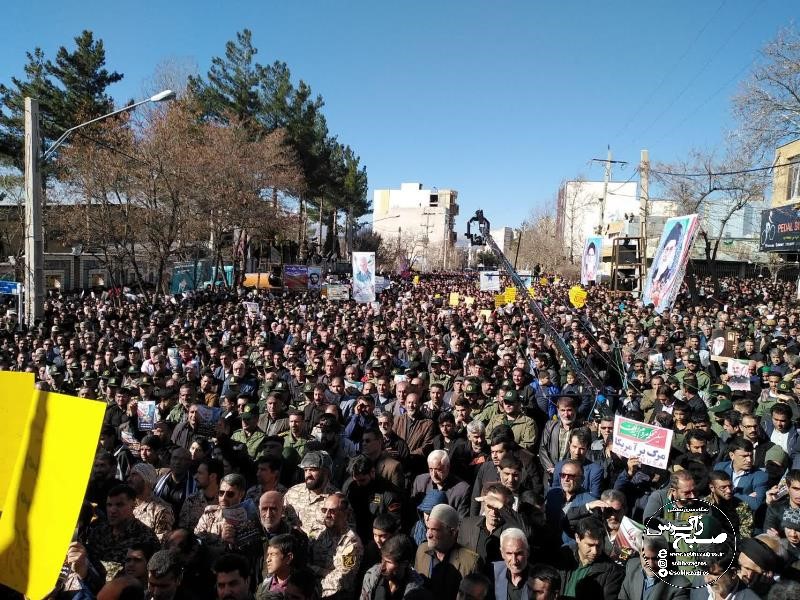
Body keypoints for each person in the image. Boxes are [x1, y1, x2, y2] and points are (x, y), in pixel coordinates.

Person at [414, 503, 483, 600]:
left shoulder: (471, 563)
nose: (428, 535)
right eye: (428, 528)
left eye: (434, 530)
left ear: (452, 532)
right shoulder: (422, 550)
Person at [308, 492, 363, 599]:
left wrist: (312, 590)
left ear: (346, 514)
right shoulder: (318, 531)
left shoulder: (352, 543)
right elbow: (305, 560)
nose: (327, 515)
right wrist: (322, 571)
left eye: (332, 511)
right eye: (324, 510)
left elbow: (342, 579)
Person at [556, 516, 623, 600]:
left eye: (598, 545)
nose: (594, 551)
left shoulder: (612, 572)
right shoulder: (562, 557)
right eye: (590, 545)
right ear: (577, 538)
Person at [283, 450, 340, 540]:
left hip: (325, 552)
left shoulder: (337, 500)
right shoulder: (293, 493)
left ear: (326, 472)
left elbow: (346, 532)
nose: (308, 475)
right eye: (305, 470)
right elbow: (282, 520)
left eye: (313, 470)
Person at [360, 534, 431, 600]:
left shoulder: (417, 593)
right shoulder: (372, 576)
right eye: (383, 560)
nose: (382, 567)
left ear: (404, 564)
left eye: (389, 562)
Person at [618, 535, 690, 600]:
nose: (650, 564)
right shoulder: (632, 567)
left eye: (656, 559)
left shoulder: (680, 586)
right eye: (646, 558)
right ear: (639, 554)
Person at [647, 219, 685, 310]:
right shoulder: (654, 272)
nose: (667, 253)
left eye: (671, 249)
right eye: (667, 249)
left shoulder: (669, 275)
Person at [490, 528, 532, 599]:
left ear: (527, 552)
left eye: (519, 553)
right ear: (502, 553)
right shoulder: (493, 571)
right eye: (509, 553)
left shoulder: (538, 578)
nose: (514, 561)